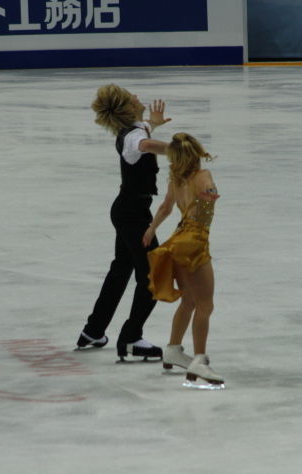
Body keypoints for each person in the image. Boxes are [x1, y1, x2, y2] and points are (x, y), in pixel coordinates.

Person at [77, 84, 171, 362]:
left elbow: (144, 133)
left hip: (129, 209)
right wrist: (182, 149)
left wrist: (153, 124)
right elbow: (146, 145)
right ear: (129, 107)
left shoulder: (134, 129)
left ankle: (93, 330)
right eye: (133, 97)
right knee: (153, 275)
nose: (138, 97)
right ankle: (131, 338)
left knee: (121, 269)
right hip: (132, 214)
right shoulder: (133, 137)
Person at [142, 133, 224, 386]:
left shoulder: (175, 182)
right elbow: (208, 188)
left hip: (177, 242)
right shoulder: (202, 175)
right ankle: (200, 360)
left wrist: (152, 229)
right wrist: (210, 192)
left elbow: (165, 208)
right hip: (194, 243)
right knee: (205, 305)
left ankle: (173, 350)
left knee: (188, 300)